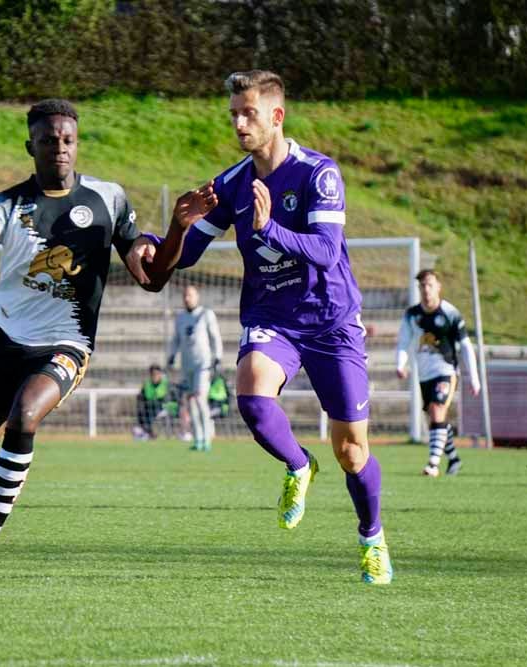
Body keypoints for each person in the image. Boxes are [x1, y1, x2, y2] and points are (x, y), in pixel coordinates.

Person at [141, 70, 393, 584]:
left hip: (331, 320)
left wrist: (269, 229)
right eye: (233, 113)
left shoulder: (318, 173)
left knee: (351, 451)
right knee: (253, 395)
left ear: (276, 116)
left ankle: (372, 538)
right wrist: (175, 226)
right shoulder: (232, 183)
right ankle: (299, 465)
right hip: (272, 317)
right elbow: (182, 257)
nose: (238, 123)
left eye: (248, 113)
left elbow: (325, 252)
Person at [0, 98, 156, 584]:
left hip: (67, 343)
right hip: (8, 344)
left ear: (76, 142)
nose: (60, 149)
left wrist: (176, 233)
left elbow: (149, 272)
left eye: (67, 140)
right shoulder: (3, 206)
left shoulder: (108, 199)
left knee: (25, 416)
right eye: (49, 140)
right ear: (31, 146)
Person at [396, 269, 482, 477]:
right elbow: (404, 341)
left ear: (438, 287)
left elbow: (466, 346)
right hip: (424, 375)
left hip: (446, 371)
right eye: (422, 286)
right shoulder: (412, 315)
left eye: (430, 285)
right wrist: (400, 364)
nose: (426, 289)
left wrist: (475, 377)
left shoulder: (450, 313)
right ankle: (454, 459)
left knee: (437, 410)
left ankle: (433, 464)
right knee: (437, 419)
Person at [167, 285, 223, 451]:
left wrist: (217, 357)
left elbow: (215, 337)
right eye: (185, 295)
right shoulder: (180, 317)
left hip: (203, 365)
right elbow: (176, 339)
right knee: (190, 401)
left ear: (197, 297)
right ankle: (198, 439)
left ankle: (207, 439)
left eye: (190, 295)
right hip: (187, 365)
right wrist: (171, 356)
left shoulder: (206, 315)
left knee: (200, 399)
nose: (187, 298)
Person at [134, 364, 172, 440]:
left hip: (163, 407)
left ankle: (147, 433)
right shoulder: (147, 384)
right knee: (142, 411)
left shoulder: (165, 384)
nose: (155, 376)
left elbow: (170, 398)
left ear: (160, 374)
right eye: (153, 374)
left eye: (157, 374)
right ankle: (146, 432)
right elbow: (141, 397)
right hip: (149, 408)